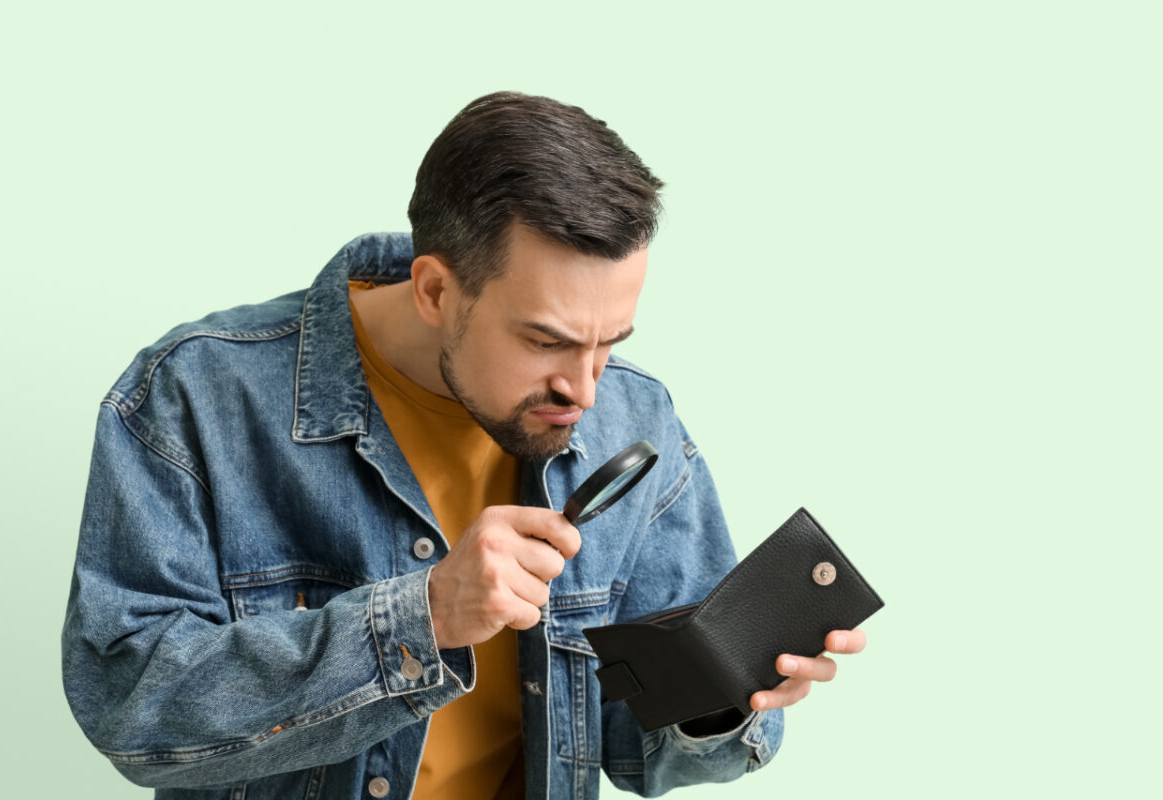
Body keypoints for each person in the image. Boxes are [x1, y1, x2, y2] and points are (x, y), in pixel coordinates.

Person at [62, 91, 866, 800]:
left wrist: (724, 697)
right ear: (437, 291)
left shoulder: (636, 418)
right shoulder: (195, 398)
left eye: (609, 342)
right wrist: (425, 616)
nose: (585, 389)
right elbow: (131, 710)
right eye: (546, 341)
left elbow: (635, 753)